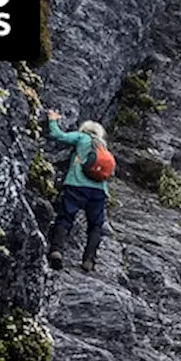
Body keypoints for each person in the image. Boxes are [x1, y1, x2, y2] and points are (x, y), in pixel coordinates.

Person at [45, 110, 110, 273]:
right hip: (99, 191)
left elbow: (58, 135)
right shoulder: (103, 146)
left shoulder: (81, 138)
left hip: (76, 185)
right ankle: (89, 260)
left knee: (65, 217)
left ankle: (57, 251)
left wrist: (52, 120)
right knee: (95, 225)